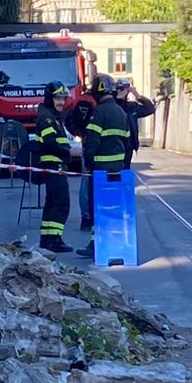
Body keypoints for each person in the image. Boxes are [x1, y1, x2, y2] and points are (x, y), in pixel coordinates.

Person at [78, 74, 130, 258]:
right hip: (118, 168)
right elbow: (128, 140)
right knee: (114, 205)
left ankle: (95, 244)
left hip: (100, 169)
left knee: (96, 207)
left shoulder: (99, 112)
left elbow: (92, 140)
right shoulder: (120, 112)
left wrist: (88, 161)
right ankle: (113, 241)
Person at [32, 80, 73, 253]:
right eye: (58, 99)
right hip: (53, 165)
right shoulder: (47, 117)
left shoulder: (50, 115)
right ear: (50, 98)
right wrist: (70, 153)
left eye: (63, 99)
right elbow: (50, 144)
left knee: (52, 202)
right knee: (61, 203)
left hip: (54, 165)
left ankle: (47, 239)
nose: (62, 103)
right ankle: (54, 240)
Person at [65, 89, 97, 230]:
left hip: (89, 145)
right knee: (87, 182)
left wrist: (80, 134)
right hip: (92, 148)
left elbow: (69, 121)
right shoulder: (88, 102)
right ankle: (88, 217)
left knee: (87, 181)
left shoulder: (84, 100)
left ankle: (87, 218)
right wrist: (83, 135)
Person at [116, 79, 156, 170]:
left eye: (122, 89)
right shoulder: (110, 104)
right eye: (117, 89)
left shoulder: (131, 107)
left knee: (125, 170)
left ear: (127, 91)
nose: (119, 91)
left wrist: (137, 95)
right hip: (113, 144)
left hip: (128, 145)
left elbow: (150, 109)